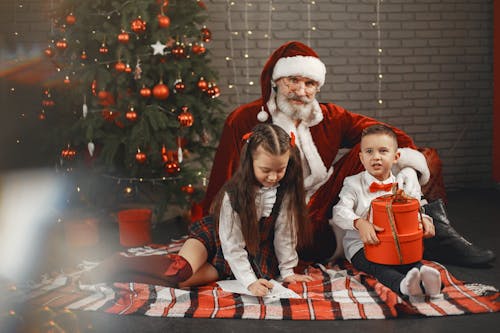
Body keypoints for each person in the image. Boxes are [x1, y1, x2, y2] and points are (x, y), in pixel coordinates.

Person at [201, 40, 495, 267]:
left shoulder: (329, 116)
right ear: (276, 81)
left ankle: (433, 229)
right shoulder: (245, 118)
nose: (300, 91)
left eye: (310, 83)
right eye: (293, 80)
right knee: (371, 153)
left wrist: (406, 168)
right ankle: (425, 234)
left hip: (328, 202)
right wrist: (216, 238)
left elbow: (388, 135)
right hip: (284, 216)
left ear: (318, 86)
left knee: (420, 156)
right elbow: (223, 183)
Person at [81, 124, 313, 296]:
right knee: (179, 271)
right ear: (249, 163)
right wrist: (250, 283)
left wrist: (287, 270)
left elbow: (285, 233)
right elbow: (232, 244)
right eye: (265, 170)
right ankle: (117, 263)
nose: (273, 177)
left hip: (243, 252)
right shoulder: (234, 194)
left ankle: (117, 274)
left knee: (183, 284)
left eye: (280, 169)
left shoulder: (286, 191)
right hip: (216, 238)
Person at [331, 124, 442, 297]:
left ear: (396, 156)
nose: (376, 157)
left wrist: (425, 220)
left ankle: (430, 282)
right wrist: (359, 223)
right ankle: (402, 285)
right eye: (369, 152)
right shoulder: (352, 183)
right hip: (363, 246)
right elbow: (339, 211)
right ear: (361, 157)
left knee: (409, 261)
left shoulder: (403, 184)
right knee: (379, 267)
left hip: (397, 243)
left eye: (383, 151)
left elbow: (416, 208)